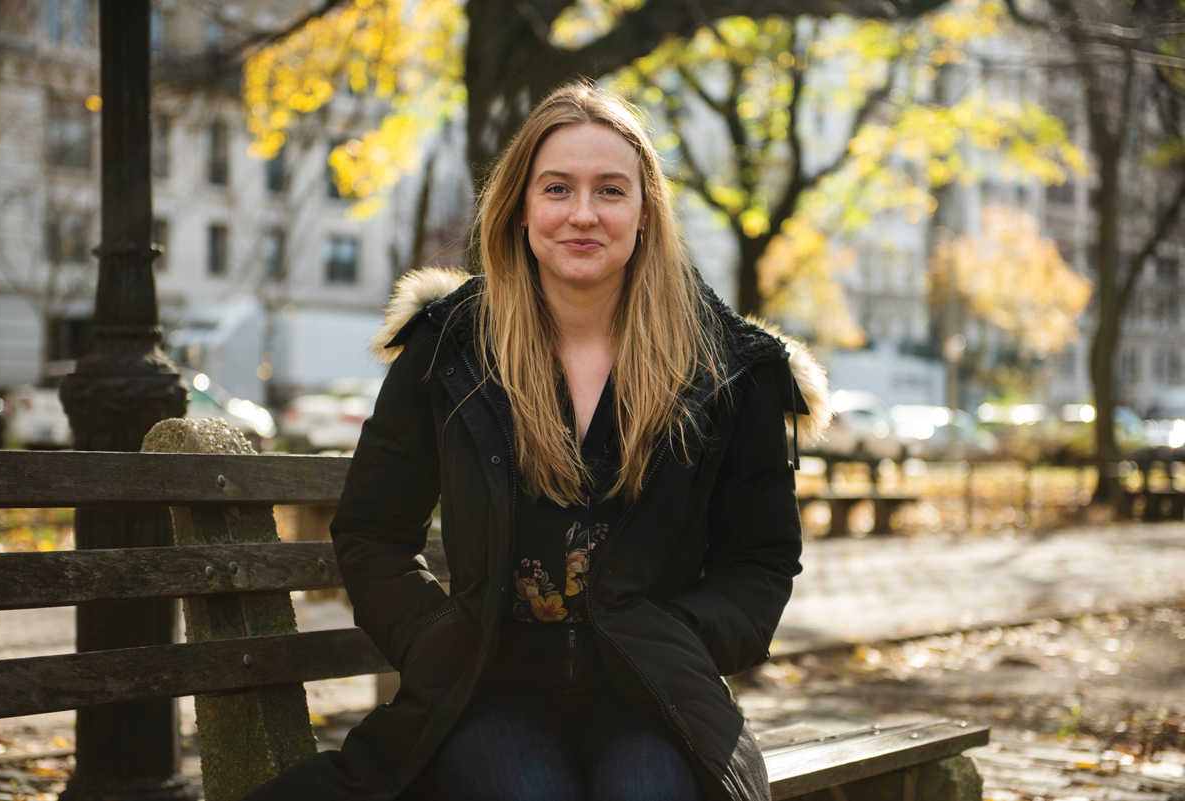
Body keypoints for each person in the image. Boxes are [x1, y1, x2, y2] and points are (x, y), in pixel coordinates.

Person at [243, 82, 831, 801]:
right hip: (488, 689)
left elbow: (761, 560)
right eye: (558, 188)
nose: (583, 213)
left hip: (655, 695)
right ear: (521, 207)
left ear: (645, 214)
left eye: (610, 191)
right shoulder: (448, 348)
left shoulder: (730, 368)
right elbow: (372, 533)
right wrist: (439, 642)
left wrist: (676, 640)